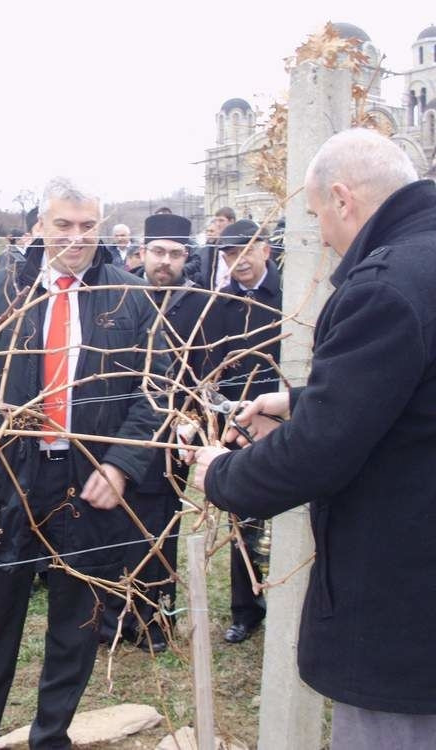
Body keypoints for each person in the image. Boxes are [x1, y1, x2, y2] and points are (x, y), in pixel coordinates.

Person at [192, 128, 436, 747]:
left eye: (317, 215)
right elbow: (412, 389)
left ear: (342, 198)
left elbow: (321, 453)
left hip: (406, 603)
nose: (322, 233)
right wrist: (300, 400)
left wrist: (219, 473)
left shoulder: (387, 285)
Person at [0, 178, 168, 749]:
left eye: (88, 226)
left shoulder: (131, 295)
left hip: (90, 482)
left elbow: (155, 390)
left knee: (76, 624)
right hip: (14, 478)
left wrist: (120, 464)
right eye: (64, 226)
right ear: (40, 226)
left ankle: (51, 736)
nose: (76, 238)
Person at [100, 212, 214, 651]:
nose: (165, 262)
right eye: (158, 252)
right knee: (112, 530)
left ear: (187, 257)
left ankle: (152, 622)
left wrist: (193, 423)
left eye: (176, 254)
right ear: (142, 253)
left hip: (172, 441)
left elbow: (207, 373)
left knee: (159, 534)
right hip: (120, 433)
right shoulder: (118, 295)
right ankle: (110, 620)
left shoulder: (201, 304)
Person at [205, 218, 283, 643]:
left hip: (287, 422)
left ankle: (291, 600)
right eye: (231, 256)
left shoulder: (292, 295)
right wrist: (221, 415)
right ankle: (245, 609)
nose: (240, 263)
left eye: (247, 252)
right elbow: (209, 371)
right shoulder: (220, 304)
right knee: (243, 516)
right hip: (239, 427)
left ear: (266, 250)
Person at [185, 206, 236, 288]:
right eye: (216, 221)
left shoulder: (239, 244)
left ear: (231, 221)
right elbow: (196, 263)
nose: (218, 224)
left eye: (221, 220)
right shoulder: (209, 247)